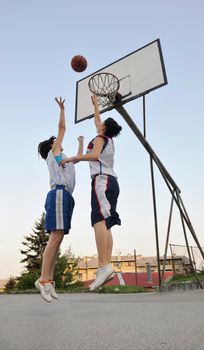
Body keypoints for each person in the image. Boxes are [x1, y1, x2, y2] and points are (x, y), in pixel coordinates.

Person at [61, 94, 122, 291]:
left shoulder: (99, 138)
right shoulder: (108, 139)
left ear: (104, 128)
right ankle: (106, 265)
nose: (99, 123)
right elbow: (97, 120)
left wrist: (72, 158)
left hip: (102, 181)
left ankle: (103, 266)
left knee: (98, 220)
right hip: (111, 182)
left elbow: (94, 155)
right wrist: (96, 105)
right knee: (107, 223)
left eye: (101, 123)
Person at [36, 97, 84, 302]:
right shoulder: (53, 153)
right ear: (52, 145)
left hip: (67, 196)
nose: (60, 143)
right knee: (54, 237)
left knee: (59, 238)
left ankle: (49, 280)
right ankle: (43, 280)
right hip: (58, 193)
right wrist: (63, 109)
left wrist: (81, 143)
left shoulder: (64, 159)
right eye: (56, 141)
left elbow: (79, 158)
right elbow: (62, 128)